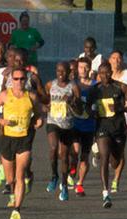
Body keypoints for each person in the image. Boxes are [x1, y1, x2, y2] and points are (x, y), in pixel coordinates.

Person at [0, 64, 44, 219]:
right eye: (16, 79)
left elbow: (39, 115)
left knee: (19, 175)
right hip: (7, 139)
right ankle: (13, 192)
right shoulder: (5, 95)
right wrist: (2, 121)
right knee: (10, 178)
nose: (19, 81)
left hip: (24, 139)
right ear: (11, 81)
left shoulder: (31, 97)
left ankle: (17, 209)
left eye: (22, 79)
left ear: (25, 80)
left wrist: (39, 121)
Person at [89, 61, 127, 209]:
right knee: (105, 157)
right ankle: (105, 193)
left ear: (111, 72)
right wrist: (92, 112)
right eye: (102, 73)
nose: (105, 76)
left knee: (115, 162)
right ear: (98, 74)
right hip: (102, 127)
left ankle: (105, 157)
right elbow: (87, 108)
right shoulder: (95, 90)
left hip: (118, 128)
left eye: (107, 72)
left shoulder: (120, 87)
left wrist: (119, 107)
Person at [45, 60, 82, 201]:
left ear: (69, 72)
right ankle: (54, 176)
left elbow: (79, 109)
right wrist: (45, 107)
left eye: (64, 71)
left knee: (65, 156)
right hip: (53, 121)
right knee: (53, 148)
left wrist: (72, 101)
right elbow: (44, 99)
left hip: (67, 125)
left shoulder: (73, 87)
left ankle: (65, 185)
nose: (61, 74)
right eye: (58, 71)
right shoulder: (50, 85)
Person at [109, 50, 127, 194]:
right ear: (110, 60)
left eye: (119, 58)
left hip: (123, 117)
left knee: (120, 150)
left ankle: (116, 179)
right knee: (105, 146)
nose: (116, 60)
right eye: (114, 58)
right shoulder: (105, 74)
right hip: (106, 117)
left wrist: (126, 107)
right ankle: (97, 151)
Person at [73, 57, 97, 197]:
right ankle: (71, 170)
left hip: (89, 126)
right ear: (77, 69)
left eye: (86, 67)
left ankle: (80, 184)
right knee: (75, 151)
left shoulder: (95, 85)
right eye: (81, 67)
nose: (83, 70)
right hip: (74, 124)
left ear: (90, 69)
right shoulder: (73, 84)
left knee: (85, 156)